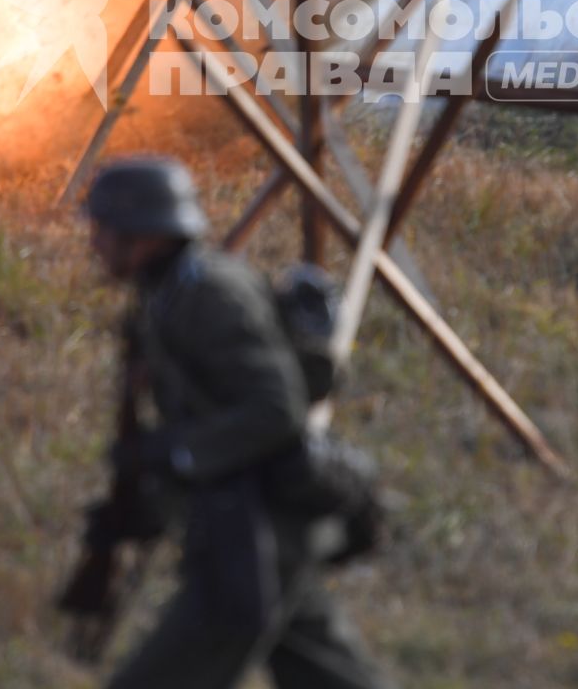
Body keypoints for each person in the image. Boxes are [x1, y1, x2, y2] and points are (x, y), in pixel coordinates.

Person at [78, 156, 394, 689]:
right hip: (248, 518)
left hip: (260, 522)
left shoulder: (207, 293)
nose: (95, 242)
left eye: (105, 229)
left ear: (147, 235)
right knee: (328, 672)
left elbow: (276, 408)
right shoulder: (168, 291)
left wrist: (177, 454)